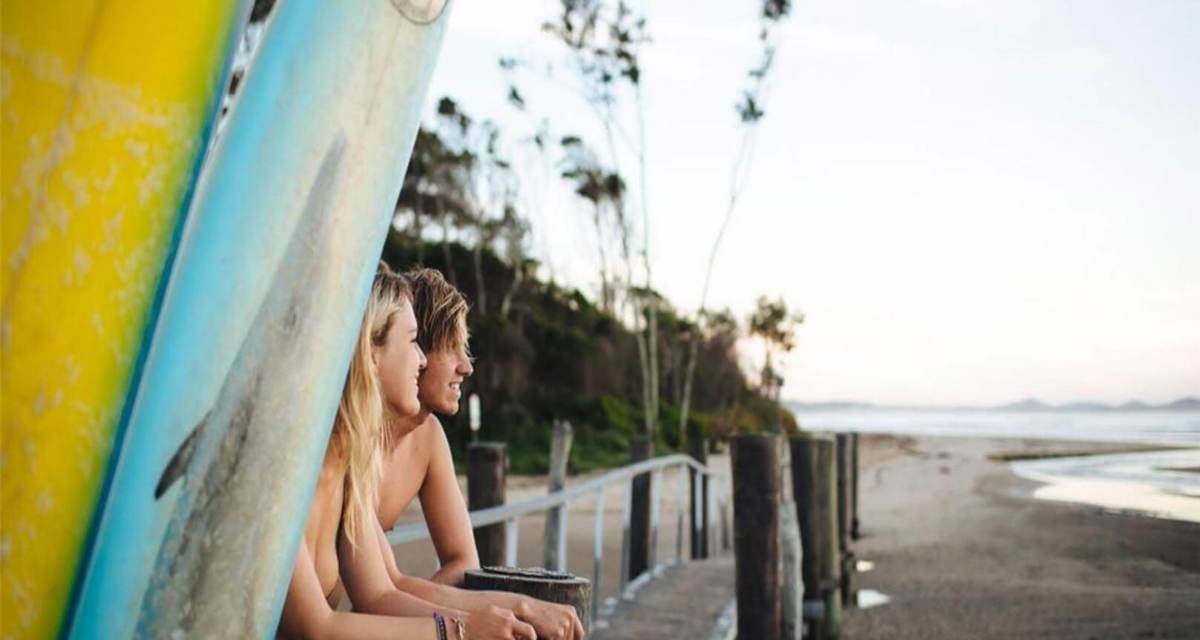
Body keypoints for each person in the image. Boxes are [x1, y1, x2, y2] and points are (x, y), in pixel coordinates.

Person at [278, 264, 536, 640]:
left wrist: (518, 611)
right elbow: (317, 627)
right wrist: (459, 632)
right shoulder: (290, 466)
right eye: (414, 341)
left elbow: (382, 593)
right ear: (370, 351)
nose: (421, 359)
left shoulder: (353, 464)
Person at [341, 267, 584, 640]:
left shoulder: (429, 438)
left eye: (465, 348)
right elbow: (371, 598)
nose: (466, 366)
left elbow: (441, 567)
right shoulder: (347, 445)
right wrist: (456, 625)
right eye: (450, 347)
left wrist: (435, 621)